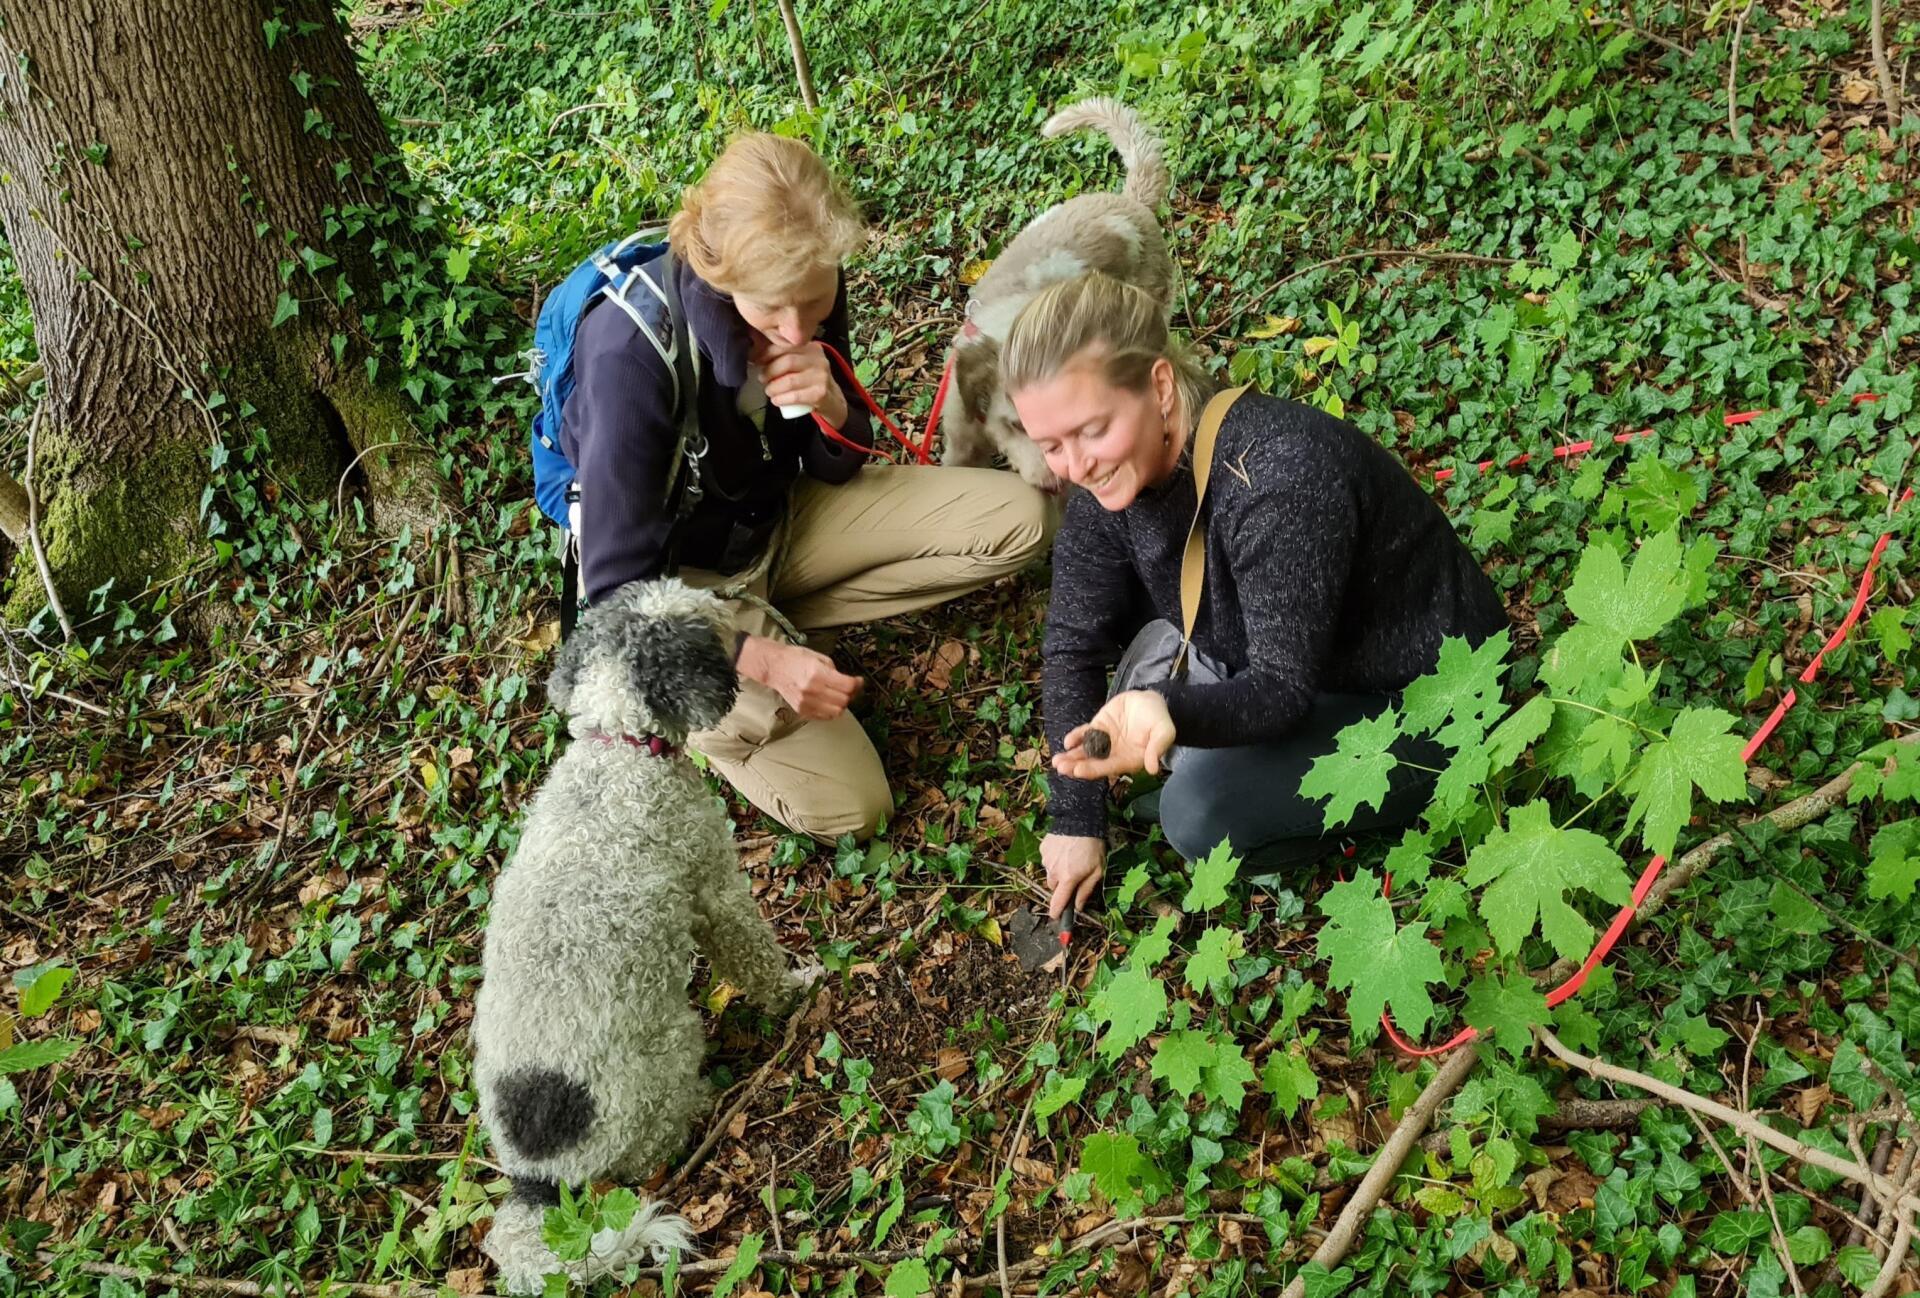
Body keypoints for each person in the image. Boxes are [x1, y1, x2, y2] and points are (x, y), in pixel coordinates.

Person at [563, 133, 1052, 842]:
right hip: (681, 591)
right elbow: (618, 599)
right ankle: (719, 699)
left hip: (778, 520)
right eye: (772, 310)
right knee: (857, 808)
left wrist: (832, 409)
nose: (796, 331)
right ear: (721, 273)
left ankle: (780, 613)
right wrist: (758, 658)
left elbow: (837, 463)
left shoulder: (810, 276)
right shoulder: (630, 355)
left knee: (1024, 517)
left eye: (814, 304)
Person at [1000, 273, 1510, 920]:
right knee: (1145, 667)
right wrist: (1076, 818)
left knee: (1196, 811)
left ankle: (1343, 819)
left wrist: (1171, 710)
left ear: (1160, 387)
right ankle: (1216, 750)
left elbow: (1281, 692)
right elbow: (1073, 643)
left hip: (1429, 697)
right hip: (1289, 657)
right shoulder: (1107, 482)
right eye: (1050, 445)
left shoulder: (1277, 479)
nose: (1075, 466)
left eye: (1093, 430)